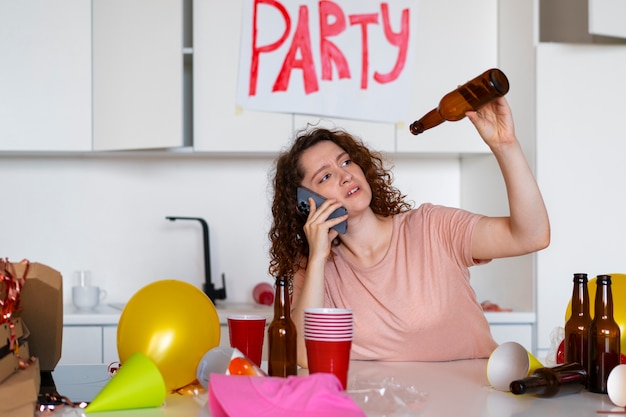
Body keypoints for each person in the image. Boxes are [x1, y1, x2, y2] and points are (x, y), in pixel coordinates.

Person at [267, 97, 550, 367]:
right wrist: (317, 257)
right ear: (305, 203)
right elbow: (302, 355)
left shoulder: (432, 226)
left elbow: (531, 236)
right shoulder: (316, 268)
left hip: (474, 396)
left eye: (345, 162)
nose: (345, 175)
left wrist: (506, 146)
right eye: (325, 176)